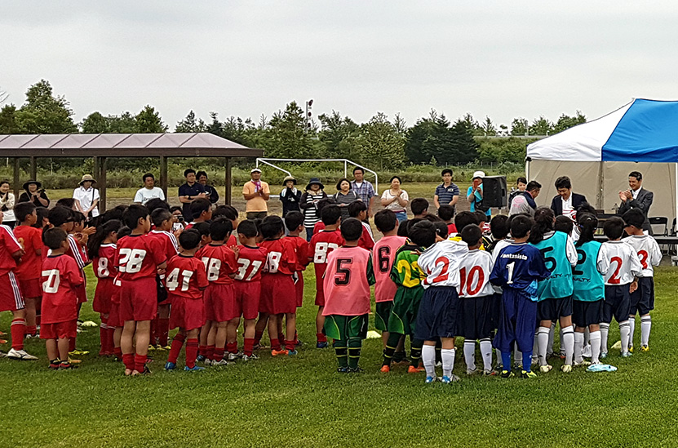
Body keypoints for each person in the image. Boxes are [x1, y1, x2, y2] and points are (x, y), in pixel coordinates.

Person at [490, 215, 550, 379]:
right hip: (526, 295)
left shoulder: (503, 251)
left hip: (508, 294)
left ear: (510, 232)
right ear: (529, 233)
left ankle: (506, 369)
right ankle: (526, 368)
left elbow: (494, 276)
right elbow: (543, 273)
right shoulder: (533, 251)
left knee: (506, 328)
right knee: (526, 328)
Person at [117, 204, 168, 376]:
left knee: (128, 326)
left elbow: (118, 263)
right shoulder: (151, 240)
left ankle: (128, 366)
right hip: (143, 285)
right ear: (141, 221)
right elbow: (163, 263)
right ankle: (139, 366)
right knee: (143, 327)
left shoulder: (122, 240)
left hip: (126, 284)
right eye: (148, 219)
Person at [415, 222, 468, 383]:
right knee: (447, 335)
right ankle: (447, 375)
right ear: (436, 234)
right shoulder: (449, 246)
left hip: (429, 292)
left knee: (428, 337)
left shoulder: (422, 258)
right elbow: (465, 246)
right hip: (448, 292)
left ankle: (430, 375)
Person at [323, 218, 375, 373]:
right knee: (355, 334)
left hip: (335, 298)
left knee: (339, 333)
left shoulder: (333, 254)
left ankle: (342, 365)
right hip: (357, 298)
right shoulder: (365, 254)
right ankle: (353, 365)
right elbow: (371, 277)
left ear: (341, 234)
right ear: (361, 235)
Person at [529, 207, 578, 373]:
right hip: (563, 285)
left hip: (543, 287)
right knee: (566, 323)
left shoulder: (532, 241)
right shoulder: (563, 237)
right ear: (553, 221)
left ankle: (542, 362)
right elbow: (573, 260)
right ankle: (569, 362)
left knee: (545, 324)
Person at [380, 220, 433, 374]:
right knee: (418, 327)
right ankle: (414, 364)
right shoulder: (424, 252)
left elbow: (394, 275)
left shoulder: (401, 251)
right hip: (420, 292)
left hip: (402, 293)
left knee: (396, 326)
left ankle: (386, 364)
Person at [164, 229, 209, 372]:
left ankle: (171, 361)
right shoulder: (197, 263)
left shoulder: (173, 260)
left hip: (176, 299)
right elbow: (202, 285)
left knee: (182, 330)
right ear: (198, 245)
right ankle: (190, 364)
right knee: (193, 332)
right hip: (191, 299)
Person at [196, 218, 239, 365]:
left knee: (210, 322)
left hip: (208, 288)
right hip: (223, 288)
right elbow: (233, 273)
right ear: (227, 234)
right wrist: (236, 256)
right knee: (221, 324)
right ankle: (218, 356)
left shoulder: (204, 250)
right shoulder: (227, 252)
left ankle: (207, 353)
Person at [40, 228, 84, 370]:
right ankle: (64, 361)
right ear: (63, 243)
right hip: (64, 301)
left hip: (47, 302)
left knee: (50, 335)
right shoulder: (67, 260)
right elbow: (76, 280)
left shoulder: (45, 261)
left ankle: (53, 361)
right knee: (63, 334)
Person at [571, 213, 609, 370]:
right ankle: (595, 359)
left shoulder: (573, 244)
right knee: (594, 325)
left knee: (579, 325)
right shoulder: (599, 247)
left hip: (576, 290)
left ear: (578, 228)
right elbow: (603, 268)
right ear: (595, 230)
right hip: (593, 291)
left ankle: (577, 358)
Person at [457, 224, 496, 376]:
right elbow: (493, 274)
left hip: (465, 299)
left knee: (469, 334)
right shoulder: (485, 256)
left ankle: (470, 367)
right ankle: (487, 368)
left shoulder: (459, 257)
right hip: (483, 297)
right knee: (485, 333)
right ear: (480, 240)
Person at [600, 217, 642, 358]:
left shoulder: (603, 247)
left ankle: (603, 351)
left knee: (604, 320)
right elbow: (637, 267)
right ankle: (624, 350)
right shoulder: (628, 247)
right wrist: (634, 279)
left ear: (605, 233)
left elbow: (601, 266)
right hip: (623, 287)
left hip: (606, 287)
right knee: (624, 318)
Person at [622, 208, 661, 352]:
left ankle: (629, 344)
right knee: (645, 311)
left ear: (631, 227)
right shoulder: (651, 241)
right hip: (647, 278)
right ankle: (644, 344)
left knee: (630, 311)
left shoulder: (626, 242)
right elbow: (656, 260)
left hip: (632, 278)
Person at [259, 216, 298, 356]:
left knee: (272, 315)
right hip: (283, 280)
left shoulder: (261, 245)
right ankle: (290, 345)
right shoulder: (285, 244)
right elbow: (292, 264)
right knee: (291, 315)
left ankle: (275, 345)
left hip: (266, 280)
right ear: (281, 230)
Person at [0, 208, 35, 360]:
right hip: (4, 273)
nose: (2, 214)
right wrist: (19, 258)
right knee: (19, 309)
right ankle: (17, 348)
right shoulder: (4, 228)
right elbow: (16, 250)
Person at [308, 205, 344, 348]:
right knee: (338, 307)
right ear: (339, 220)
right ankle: (336, 338)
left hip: (321, 276)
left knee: (322, 307)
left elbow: (310, 256)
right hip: (337, 276)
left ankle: (321, 338)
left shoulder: (316, 236)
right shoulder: (340, 236)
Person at [372, 210, 407, 348]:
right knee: (400, 322)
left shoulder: (377, 245)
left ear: (378, 228)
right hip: (400, 288)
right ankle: (399, 352)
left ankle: (388, 353)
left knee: (386, 325)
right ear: (397, 222)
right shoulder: (404, 241)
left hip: (382, 288)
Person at [234, 220, 268, 361]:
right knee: (250, 321)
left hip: (236, 285)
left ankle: (231, 349)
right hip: (253, 286)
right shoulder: (263, 252)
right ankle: (248, 351)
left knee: (233, 320)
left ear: (241, 236)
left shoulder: (237, 250)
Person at [88, 219, 122, 356]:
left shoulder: (97, 248)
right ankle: (113, 347)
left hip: (101, 285)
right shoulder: (114, 249)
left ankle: (104, 348)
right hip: (113, 284)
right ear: (113, 234)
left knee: (104, 317)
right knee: (115, 318)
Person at [147, 209, 180, 350]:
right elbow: (174, 255)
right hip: (165, 274)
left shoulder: (148, 234)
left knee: (153, 306)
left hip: (151, 273)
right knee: (164, 306)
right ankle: (162, 339)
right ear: (165, 222)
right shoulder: (168, 236)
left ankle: (151, 338)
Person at [13, 202, 42, 338]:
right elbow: (39, 250)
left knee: (22, 302)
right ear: (29, 217)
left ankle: (22, 326)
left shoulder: (14, 230)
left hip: (18, 271)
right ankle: (31, 330)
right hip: (31, 271)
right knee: (31, 303)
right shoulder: (34, 232)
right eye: (35, 213)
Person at [284, 211, 310, 315]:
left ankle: (280, 331)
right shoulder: (301, 242)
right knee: (292, 309)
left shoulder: (283, 241)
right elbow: (304, 260)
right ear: (300, 227)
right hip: (296, 274)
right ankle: (292, 331)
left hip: (284, 274)